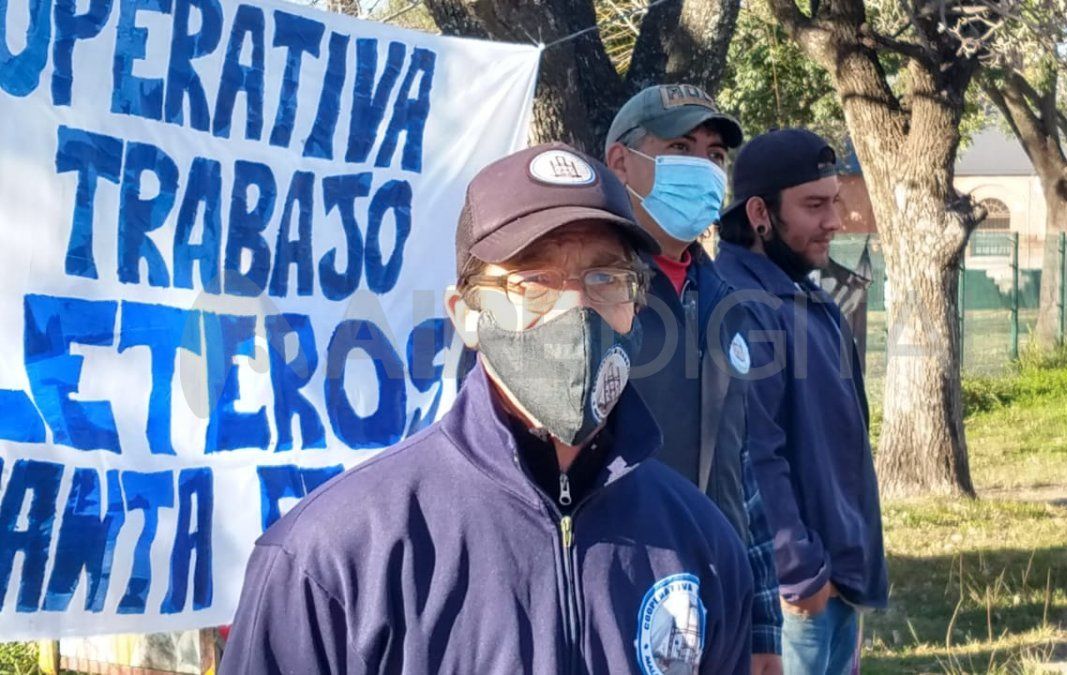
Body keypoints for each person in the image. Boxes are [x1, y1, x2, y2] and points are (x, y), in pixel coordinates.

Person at [221, 142, 753, 674]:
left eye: (605, 278)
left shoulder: (701, 545)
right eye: (533, 282)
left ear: (635, 305)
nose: (574, 308)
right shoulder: (332, 558)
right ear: (466, 314)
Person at [605, 84, 784, 674]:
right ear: (620, 163)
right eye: (681, 146)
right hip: (615, 605)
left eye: (714, 155)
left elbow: (742, 474)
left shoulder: (727, 301)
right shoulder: (585, 299)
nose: (704, 168)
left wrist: (763, 626)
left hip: (717, 607)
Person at [715, 128, 888, 674]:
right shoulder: (739, 304)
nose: (834, 221)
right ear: (760, 213)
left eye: (834, 201)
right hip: (798, 599)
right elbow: (754, 455)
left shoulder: (810, 298)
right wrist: (801, 575)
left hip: (837, 588)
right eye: (815, 205)